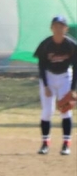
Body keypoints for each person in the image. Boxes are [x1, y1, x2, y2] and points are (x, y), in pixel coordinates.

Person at [33, 15, 77, 156]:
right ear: (51, 28)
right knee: (47, 111)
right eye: (56, 26)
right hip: (49, 77)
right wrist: (46, 86)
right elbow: (41, 66)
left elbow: (76, 67)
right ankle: (45, 143)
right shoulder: (46, 45)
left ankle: (66, 144)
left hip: (65, 77)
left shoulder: (71, 45)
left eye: (61, 26)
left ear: (66, 29)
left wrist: (73, 89)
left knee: (65, 110)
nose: (58, 29)